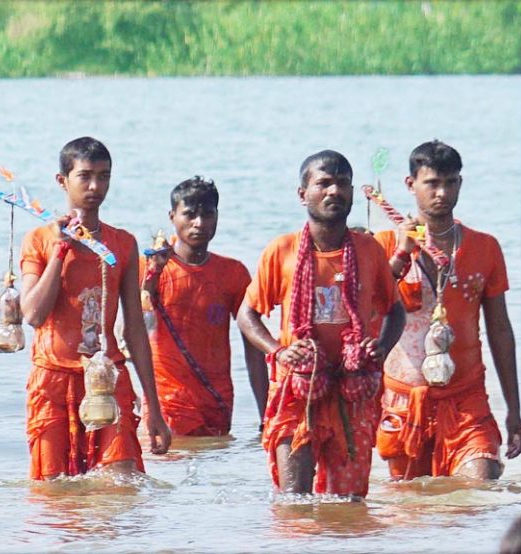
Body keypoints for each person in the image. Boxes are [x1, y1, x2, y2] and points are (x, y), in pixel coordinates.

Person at [237, 150, 405, 497]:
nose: (333, 192)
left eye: (342, 184)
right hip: (297, 388)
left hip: (352, 390)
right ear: (303, 194)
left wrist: (380, 348)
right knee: (293, 503)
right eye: (323, 183)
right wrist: (279, 352)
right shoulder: (281, 250)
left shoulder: (369, 250)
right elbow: (246, 314)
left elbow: (396, 310)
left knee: (348, 506)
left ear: (352, 192)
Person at [20, 137, 172, 480]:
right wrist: (61, 251)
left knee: (122, 481)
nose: (95, 186)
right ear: (63, 181)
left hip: (108, 376)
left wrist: (154, 407)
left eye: (104, 176)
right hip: (53, 379)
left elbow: (134, 327)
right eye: (85, 176)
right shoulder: (40, 240)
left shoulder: (122, 244)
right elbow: (32, 314)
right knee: (53, 490)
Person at [373, 140, 521, 479]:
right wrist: (401, 253)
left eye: (451, 182)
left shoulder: (485, 248)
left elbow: (500, 330)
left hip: (466, 398)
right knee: (410, 507)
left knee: (480, 483)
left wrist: (514, 410)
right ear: (411, 185)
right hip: (402, 400)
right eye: (432, 183)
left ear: (460, 183)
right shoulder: (382, 246)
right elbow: (365, 313)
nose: (442, 192)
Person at [141, 176, 266, 436]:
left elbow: (253, 347)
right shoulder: (152, 269)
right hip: (167, 399)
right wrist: (153, 274)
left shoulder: (233, 273)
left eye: (207, 214)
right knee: (170, 465)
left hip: (217, 400)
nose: (199, 223)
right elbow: (136, 327)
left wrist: (266, 415)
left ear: (217, 216)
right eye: (189, 215)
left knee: (215, 467)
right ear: (172, 216)